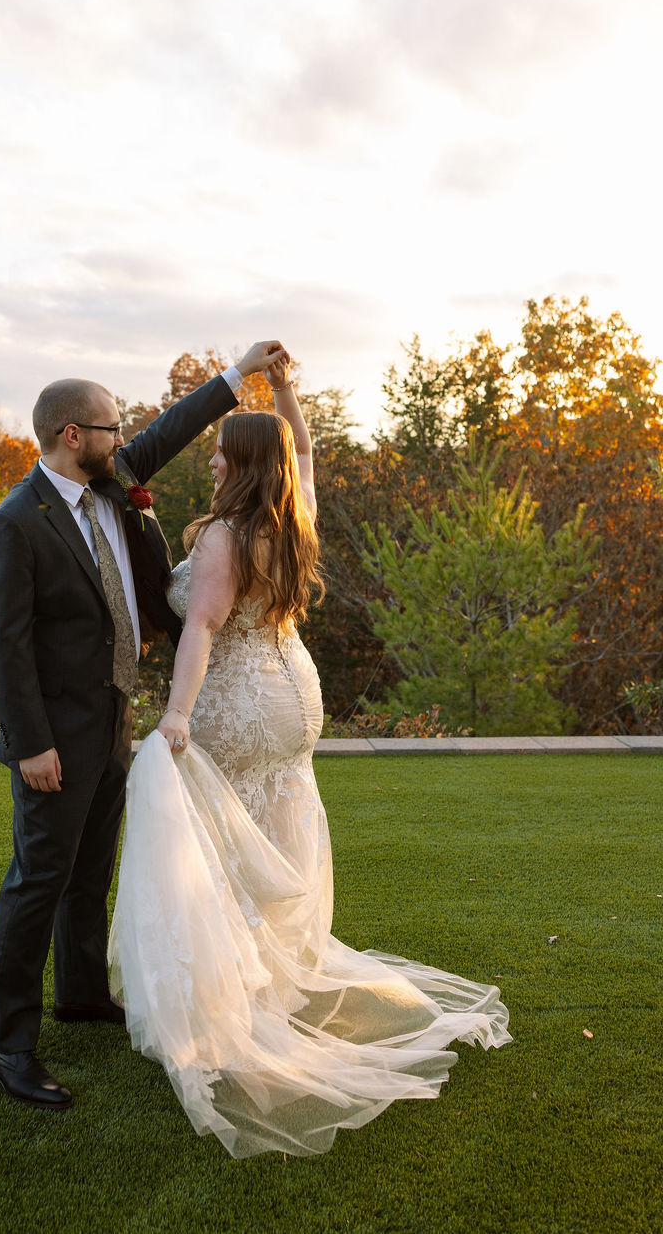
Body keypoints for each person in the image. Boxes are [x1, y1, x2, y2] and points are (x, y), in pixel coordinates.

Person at [108, 349, 512, 1158]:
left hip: (240, 699)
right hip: (296, 691)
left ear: (245, 463)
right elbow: (307, 449)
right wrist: (284, 388)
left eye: (224, 450)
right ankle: (275, 972)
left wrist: (178, 713)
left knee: (221, 842)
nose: (213, 458)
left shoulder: (224, 536)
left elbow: (202, 628)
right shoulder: (291, 518)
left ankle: (239, 992)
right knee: (275, 821)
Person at [0, 340, 287, 1110]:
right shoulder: (17, 522)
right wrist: (32, 745)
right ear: (71, 436)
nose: (128, 438)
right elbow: (4, 645)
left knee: (90, 870)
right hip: (56, 734)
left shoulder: (113, 487)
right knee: (38, 880)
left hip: (114, 717)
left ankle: (79, 993)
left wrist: (236, 373)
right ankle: (4, 1044)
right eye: (114, 428)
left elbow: (170, 430)